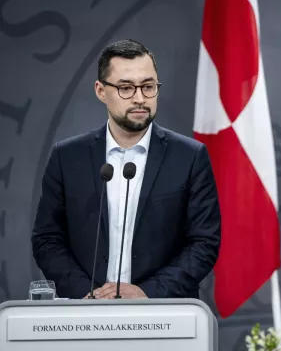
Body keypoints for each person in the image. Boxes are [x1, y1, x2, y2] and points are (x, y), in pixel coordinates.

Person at [31, 39, 221, 299]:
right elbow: (47, 239)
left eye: (148, 86)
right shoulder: (67, 157)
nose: (140, 98)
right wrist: (87, 294)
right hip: (85, 316)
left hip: (163, 315)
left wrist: (147, 293)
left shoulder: (189, 157)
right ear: (101, 91)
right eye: (126, 88)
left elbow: (204, 243)